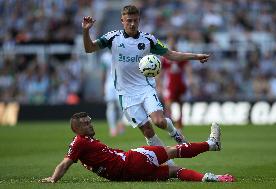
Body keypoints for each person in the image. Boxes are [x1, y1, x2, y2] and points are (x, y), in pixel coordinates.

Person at [82, 5, 210, 160]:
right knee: (148, 131)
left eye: (135, 20)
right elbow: (89, 48)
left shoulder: (148, 40)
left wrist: (196, 56)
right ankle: (166, 161)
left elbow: (170, 54)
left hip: (145, 88)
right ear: (122, 20)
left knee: (159, 121)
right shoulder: (113, 37)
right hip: (126, 93)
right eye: (129, 20)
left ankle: (174, 133)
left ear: (139, 20)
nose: (132, 24)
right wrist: (86, 31)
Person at [41, 112, 234, 183]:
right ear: (77, 129)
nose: (90, 125)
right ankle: (211, 144)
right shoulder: (79, 142)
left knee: (174, 172)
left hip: (125, 174)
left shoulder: (86, 143)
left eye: (89, 121)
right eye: (85, 124)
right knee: (172, 151)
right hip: (131, 163)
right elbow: (66, 162)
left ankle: (209, 178)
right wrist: (54, 178)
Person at [158, 35, 193, 131]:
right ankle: (172, 123)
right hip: (170, 84)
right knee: (168, 104)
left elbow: (187, 67)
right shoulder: (165, 57)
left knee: (180, 104)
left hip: (180, 83)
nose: (171, 44)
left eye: (173, 42)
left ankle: (179, 126)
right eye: (170, 42)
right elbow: (161, 72)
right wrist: (159, 84)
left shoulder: (180, 55)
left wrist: (190, 78)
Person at [101, 51, 125, 137]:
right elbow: (103, 72)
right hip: (109, 84)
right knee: (110, 105)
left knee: (121, 106)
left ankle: (120, 125)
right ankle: (112, 128)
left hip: (121, 83)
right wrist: (102, 85)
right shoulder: (105, 56)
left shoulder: (122, 53)